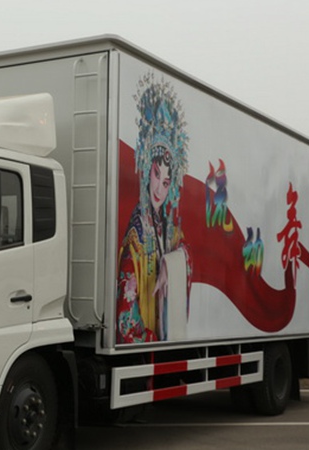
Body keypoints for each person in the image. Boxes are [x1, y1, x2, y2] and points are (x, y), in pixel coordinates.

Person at [116, 74, 188, 344]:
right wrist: (150, 339)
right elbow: (126, 318)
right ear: (147, 171)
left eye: (166, 182)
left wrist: (171, 264)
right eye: (157, 175)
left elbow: (186, 251)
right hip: (149, 336)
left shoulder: (168, 227)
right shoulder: (136, 235)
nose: (159, 189)